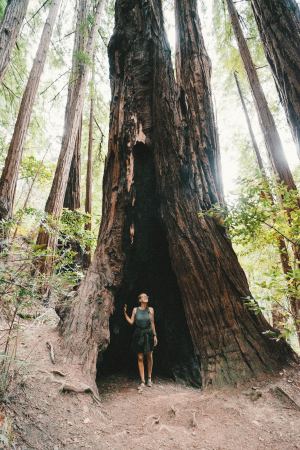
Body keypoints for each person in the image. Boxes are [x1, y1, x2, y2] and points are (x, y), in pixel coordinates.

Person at [124, 293, 158, 391]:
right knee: (140, 357)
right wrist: (125, 313)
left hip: (149, 334)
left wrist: (155, 335)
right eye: (144, 296)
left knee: (149, 355)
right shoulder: (135, 309)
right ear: (140, 299)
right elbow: (131, 322)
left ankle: (149, 379)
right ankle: (143, 380)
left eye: (147, 296)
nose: (146, 297)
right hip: (138, 334)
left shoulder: (150, 309)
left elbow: (152, 323)